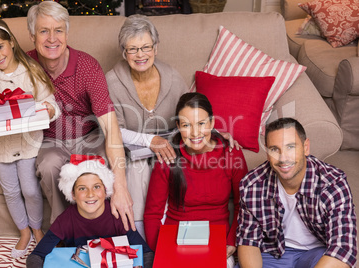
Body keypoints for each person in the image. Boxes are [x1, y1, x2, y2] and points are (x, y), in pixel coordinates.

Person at [106, 14, 240, 238]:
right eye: (133, 49)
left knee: (167, 161)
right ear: (124, 52)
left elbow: (189, 117)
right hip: (130, 148)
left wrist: (214, 132)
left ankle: (163, 233)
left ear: (156, 48)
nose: (141, 55)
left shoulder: (172, 77)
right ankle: (138, 237)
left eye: (146, 47)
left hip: (169, 146)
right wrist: (150, 141)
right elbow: (113, 130)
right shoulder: (112, 81)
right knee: (140, 169)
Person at [25, 1, 134, 230]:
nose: (52, 38)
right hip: (50, 141)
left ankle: (105, 227)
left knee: (106, 159)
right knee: (49, 165)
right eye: (44, 31)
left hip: (89, 137)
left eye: (58, 30)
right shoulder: (25, 67)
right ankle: (62, 230)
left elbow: (111, 128)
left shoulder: (87, 67)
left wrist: (121, 187)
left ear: (67, 33)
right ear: (32, 35)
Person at [0, 18, 60, 258]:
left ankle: (37, 229)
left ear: (11, 43)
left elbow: (50, 101)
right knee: (11, 191)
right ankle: (24, 231)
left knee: (29, 189)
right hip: (0, 149)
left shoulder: (31, 71)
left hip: (28, 145)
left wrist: (49, 109)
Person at [236, 117, 357, 268]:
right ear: (267, 153)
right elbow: (249, 241)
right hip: (272, 253)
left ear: (306, 147)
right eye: (274, 149)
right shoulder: (252, 185)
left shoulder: (332, 184)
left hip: (317, 254)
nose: (283, 158)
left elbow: (343, 248)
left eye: (290, 147)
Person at [143, 92, 247, 267]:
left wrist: (231, 242)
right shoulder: (168, 158)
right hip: (175, 240)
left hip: (218, 241)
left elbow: (242, 205)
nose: (195, 133)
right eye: (186, 125)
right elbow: (152, 214)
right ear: (178, 126)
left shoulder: (231, 155)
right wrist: (162, 250)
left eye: (201, 123)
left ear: (212, 123)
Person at [26, 155, 154, 268]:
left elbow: (146, 252)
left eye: (96, 187)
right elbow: (36, 256)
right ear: (73, 194)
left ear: (106, 190)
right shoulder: (65, 221)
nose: (90, 194)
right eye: (82, 188)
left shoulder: (118, 216)